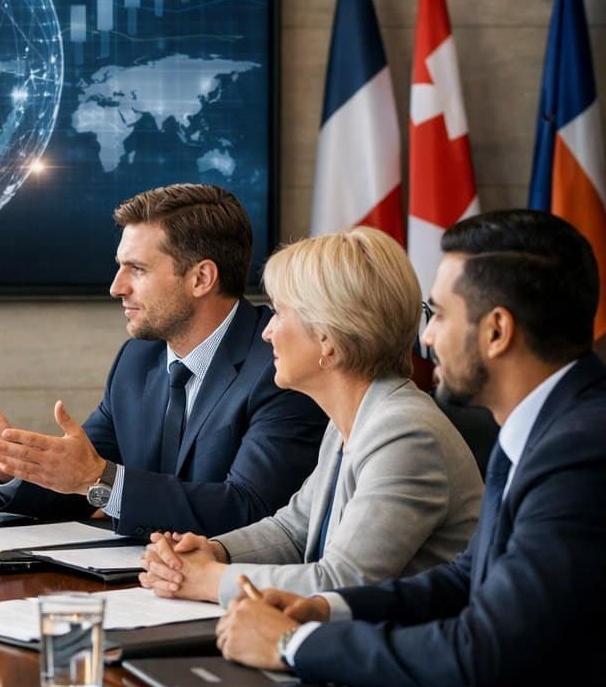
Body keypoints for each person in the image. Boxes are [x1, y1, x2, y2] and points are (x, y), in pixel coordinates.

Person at [216, 210, 606, 687]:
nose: (423, 337)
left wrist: (290, 644)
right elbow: (464, 578)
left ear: (496, 331)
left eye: (439, 315)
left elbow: (482, 656)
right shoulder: (543, 426)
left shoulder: (581, 450)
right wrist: (325, 610)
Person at [0, 184, 325, 537]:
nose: (116, 287)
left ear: (201, 278)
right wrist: (10, 468)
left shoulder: (281, 364)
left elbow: (251, 511)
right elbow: (79, 479)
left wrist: (97, 477)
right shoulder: (138, 360)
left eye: (137, 269)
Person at [138, 227, 482, 605]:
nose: (267, 332)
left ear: (328, 340)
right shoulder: (351, 419)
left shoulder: (404, 433)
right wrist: (214, 552)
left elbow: (343, 581)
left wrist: (210, 580)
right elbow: (293, 529)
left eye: (280, 313)